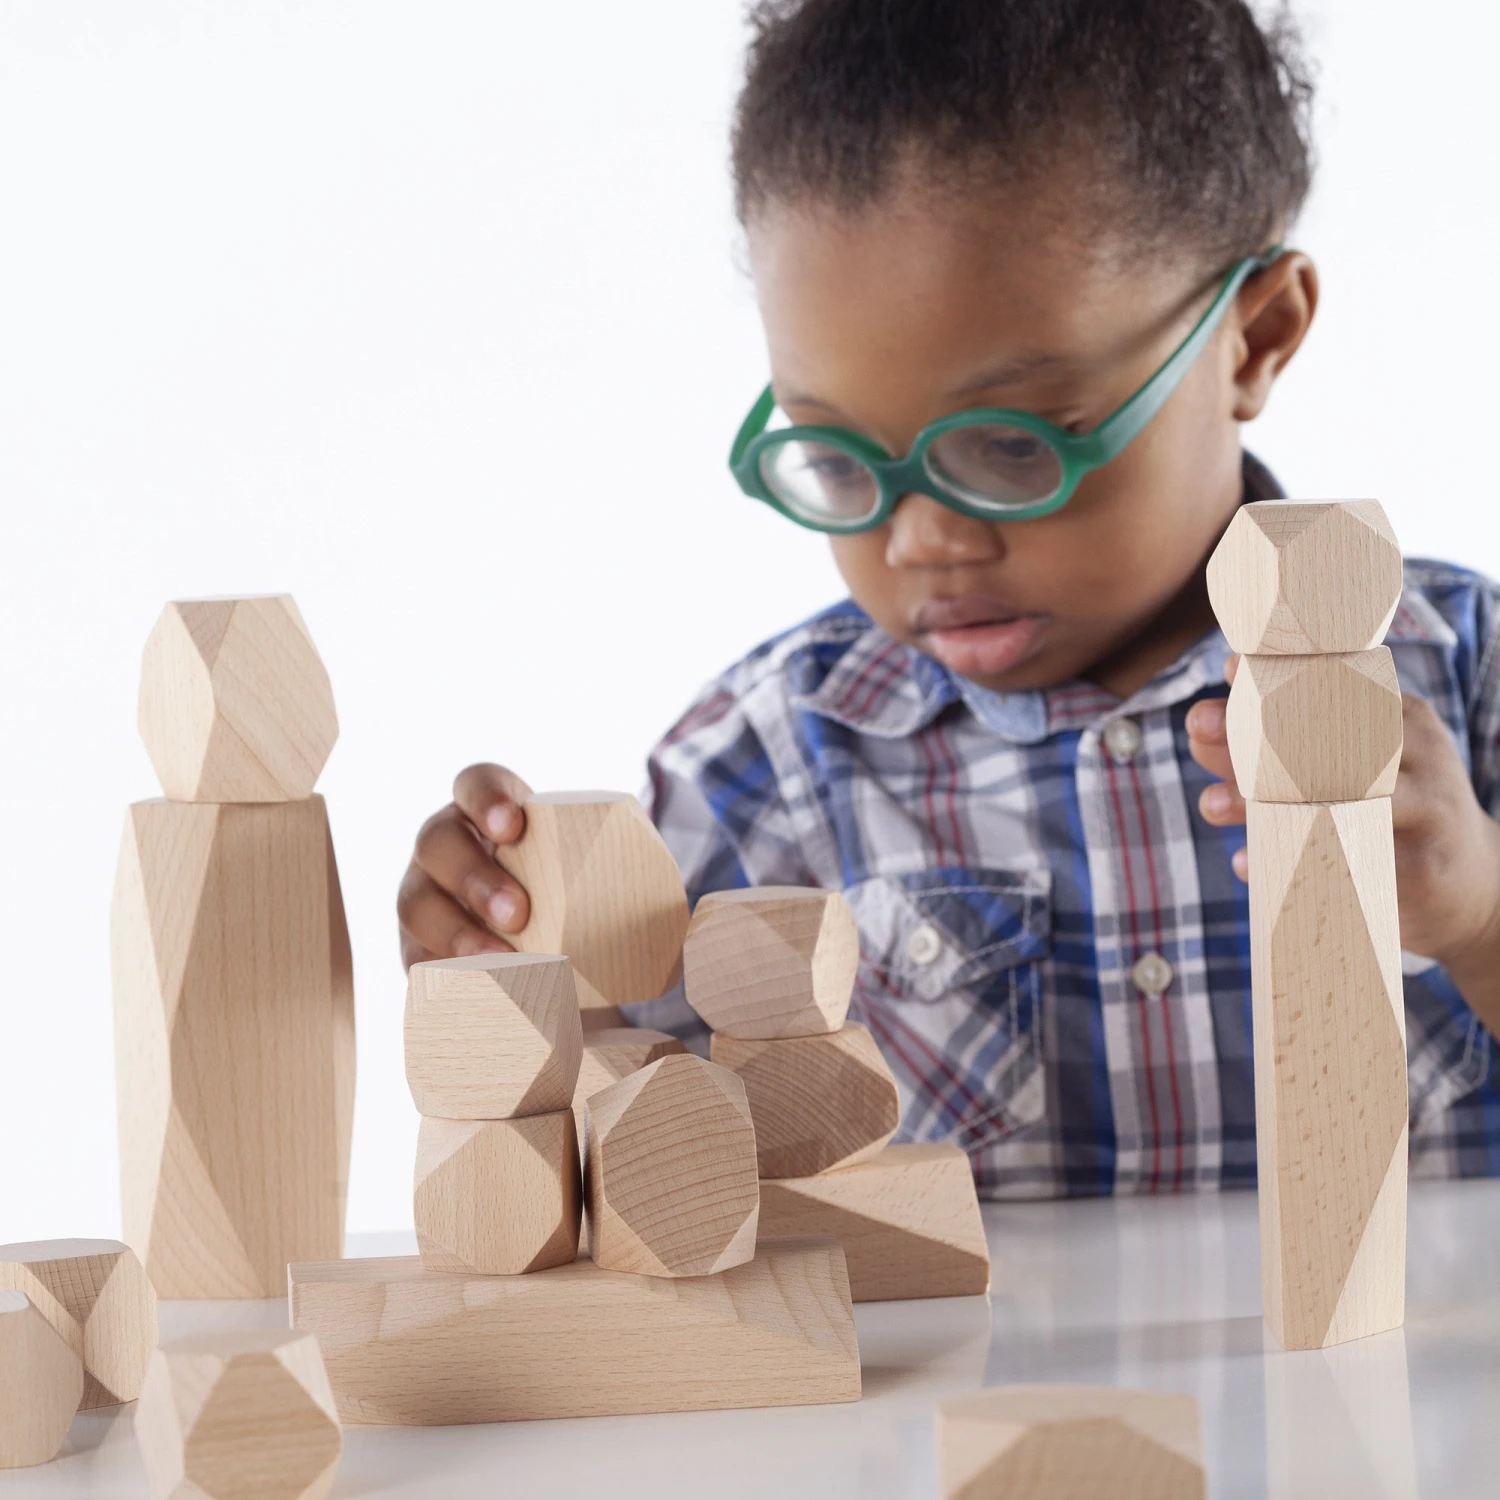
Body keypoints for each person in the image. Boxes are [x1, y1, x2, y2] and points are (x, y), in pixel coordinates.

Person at [397, 0, 1500, 1198]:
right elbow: (624, 1152)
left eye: (1014, 447)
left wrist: (1483, 920)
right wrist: (522, 972)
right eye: (837, 464)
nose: (923, 539)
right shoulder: (767, 769)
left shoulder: (1464, 675)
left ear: (1254, 337)